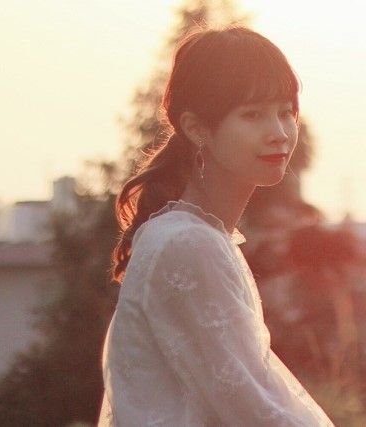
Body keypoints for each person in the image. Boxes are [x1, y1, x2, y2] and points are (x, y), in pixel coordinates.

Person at [97, 26, 335, 426]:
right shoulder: (187, 243)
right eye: (253, 114)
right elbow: (254, 408)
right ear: (196, 128)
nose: (279, 133)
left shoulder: (199, 236)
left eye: (285, 112)